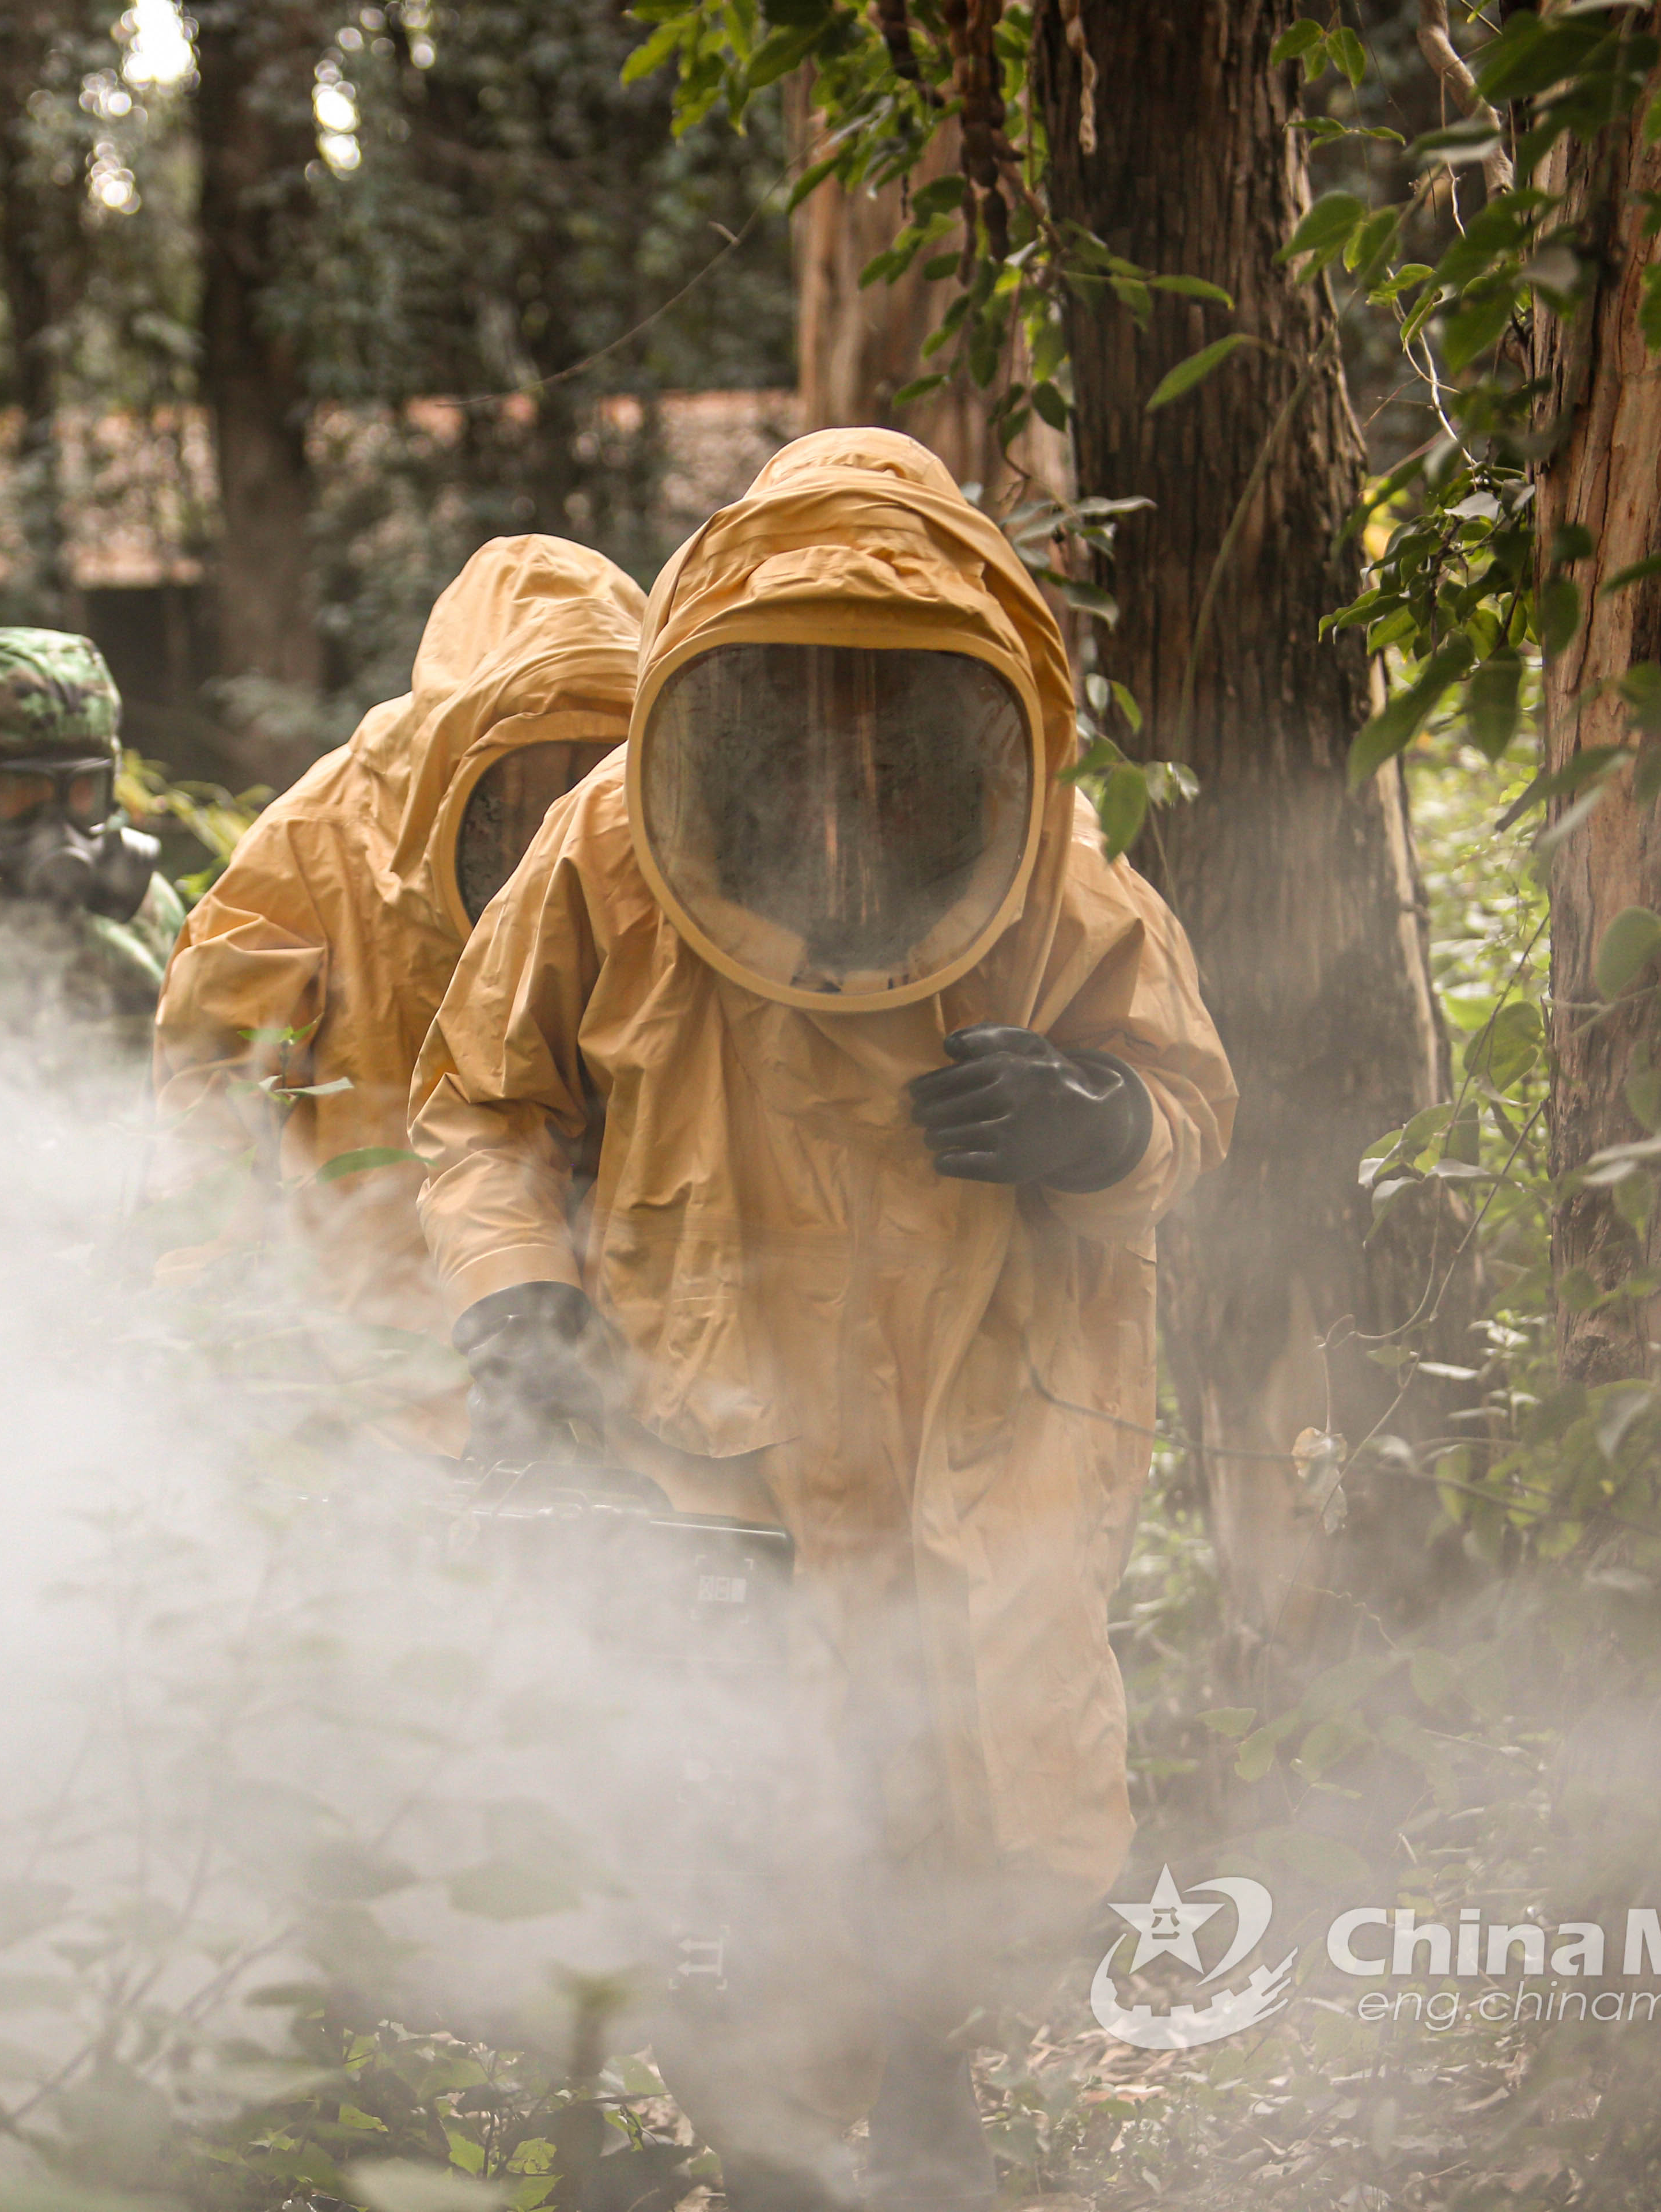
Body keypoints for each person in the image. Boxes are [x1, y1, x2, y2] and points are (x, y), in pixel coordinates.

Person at [408, 430, 1238, 2212]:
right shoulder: (606, 852)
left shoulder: (1056, 872)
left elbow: (1186, 1103)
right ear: (723, 683)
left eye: (901, 713)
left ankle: (935, 2097)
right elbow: (482, 1099)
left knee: (944, 1802)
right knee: (726, 1815)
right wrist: (515, 1301)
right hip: (704, 1433)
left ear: (989, 694)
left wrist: (1096, 1118)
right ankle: (769, 2149)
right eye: (801, 704)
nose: (852, 763)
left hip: (969, 1431)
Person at [150, 536, 644, 1445]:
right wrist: (214, 1318)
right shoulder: (317, 837)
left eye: (599, 769)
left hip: (618, 1359)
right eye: (533, 782)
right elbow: (210, 1083)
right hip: (373, 1361)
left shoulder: (679, 835)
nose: (567, 813)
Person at [0, 626, 185, 1014]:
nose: (58, 826)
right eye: (25, 790)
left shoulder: (150, 913)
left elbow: (201, 1064)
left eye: (83, 790)